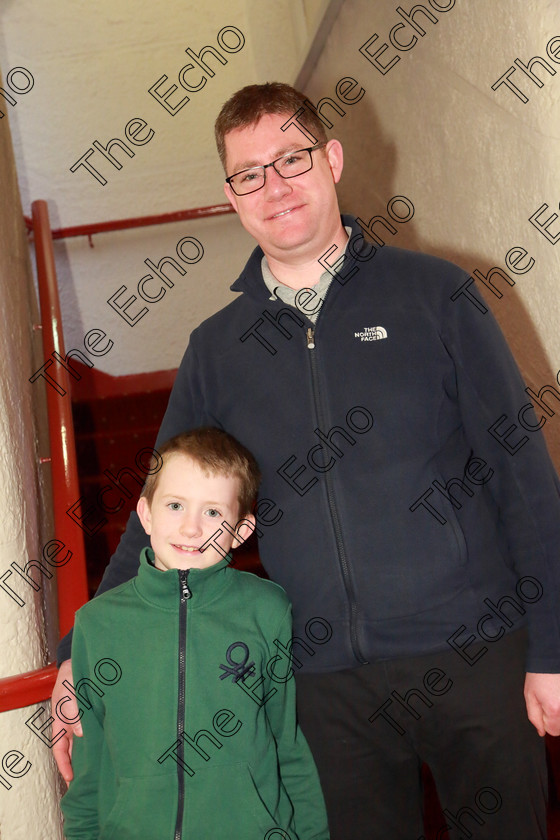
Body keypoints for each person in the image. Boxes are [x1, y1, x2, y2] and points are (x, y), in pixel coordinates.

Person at [53, 83, 560, 839]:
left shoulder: (438, 295)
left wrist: (551, 646)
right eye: (249, 172)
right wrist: (77, 654)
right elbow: (165, 504)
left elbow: (523, 477)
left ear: (331, 159)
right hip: (324, 687)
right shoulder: (218, 350)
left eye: (290, 158)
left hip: (475, 654)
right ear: (231, 195)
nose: (275, 185)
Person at [59, 427, 329, 840]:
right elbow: (89, 767)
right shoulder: (97, 624)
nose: (191, 529)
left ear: (241, 531)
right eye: (175, 505)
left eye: (214, 513)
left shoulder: (266, 610)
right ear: (145, 515)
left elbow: (287, 744)